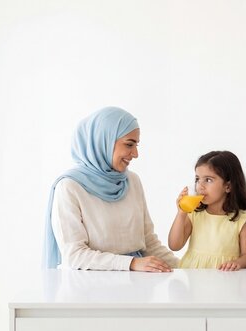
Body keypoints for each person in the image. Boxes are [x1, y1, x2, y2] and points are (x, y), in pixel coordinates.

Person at [43, 107, 178, 271]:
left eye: (136, 145)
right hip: (91, 286)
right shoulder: (69, 187)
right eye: (129, 144)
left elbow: (148, 242)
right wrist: (131, 263)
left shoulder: (132, 181)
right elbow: (75, 255)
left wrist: (192, 270)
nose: (135, 154)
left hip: (138, 285)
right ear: (103, 140)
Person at [168, 151, 246, 271]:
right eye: (198, 179)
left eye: (208, 180)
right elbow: (174, 245)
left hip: (225, 277)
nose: (200, 186)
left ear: (228, 186)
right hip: (195, 277)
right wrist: (181, 213)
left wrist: (238, 263)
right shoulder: (194, 214)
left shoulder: (242, 218)